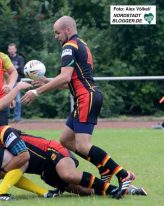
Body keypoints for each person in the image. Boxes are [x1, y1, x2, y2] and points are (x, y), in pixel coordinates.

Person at [21, 16, 135, 198]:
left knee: (82, 145)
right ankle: (103, 168)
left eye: (57, 33)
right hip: (86, 95)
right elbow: (72, 81)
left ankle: (123, 173)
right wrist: (48, 81)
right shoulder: (82, 45)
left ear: (67, 30)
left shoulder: (68, 47)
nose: (56, 37)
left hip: (85, 98)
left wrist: (37, 92)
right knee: (66, 140)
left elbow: (66, 78)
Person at [0, 123, 147, 199]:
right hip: (45, 172)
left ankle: (113, 188)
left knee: (69, 174)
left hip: (51, 151)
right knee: (84, 192)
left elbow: (24, 156)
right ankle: (129, 190)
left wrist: (2, 172)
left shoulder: (4, 132)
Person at [7, 43, 25, 123]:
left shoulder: (20, 58)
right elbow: (5, 69)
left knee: (17, 100)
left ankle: (17, 118)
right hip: (8, 82)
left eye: (12, 48)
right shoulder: (6, 58)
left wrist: (11, 68)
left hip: (17, 81)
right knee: (6, 100)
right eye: (10, 49)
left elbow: (21, 69)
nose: (11, 50)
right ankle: (6, 117)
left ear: (15, 49)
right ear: (8, 50)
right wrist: (15, 67)